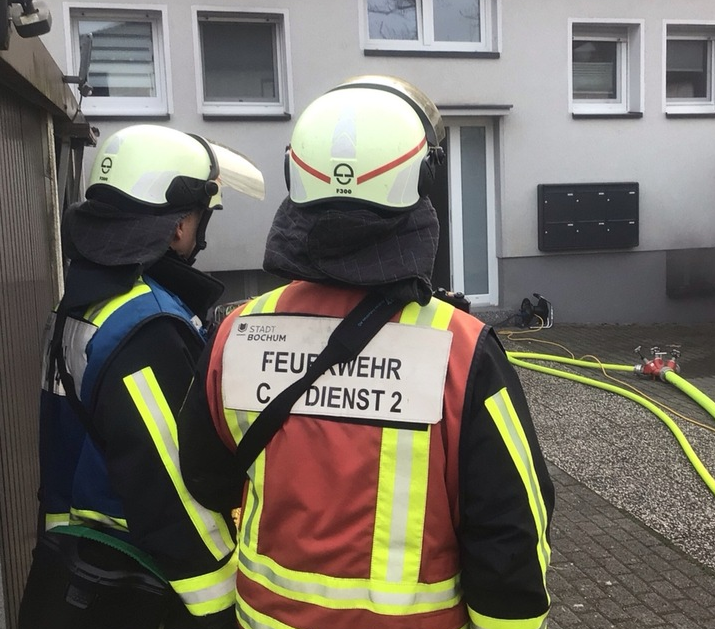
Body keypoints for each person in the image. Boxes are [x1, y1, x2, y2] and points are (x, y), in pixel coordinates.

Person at [179, 76, 554, 629]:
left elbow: (203, 481)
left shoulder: (235, 333)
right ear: (422, 181)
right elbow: (510, 537)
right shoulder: (462, 350)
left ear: (294, 179)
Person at [19, 123, 264, 629]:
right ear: (178, 228)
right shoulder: (146, 327)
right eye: (199, 218)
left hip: (75, 573)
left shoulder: (77, 305)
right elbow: (176, 495)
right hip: (140, 585)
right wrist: (225, 611)